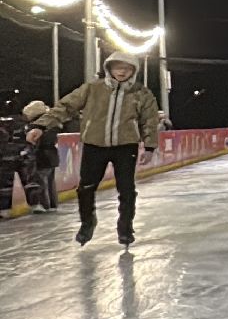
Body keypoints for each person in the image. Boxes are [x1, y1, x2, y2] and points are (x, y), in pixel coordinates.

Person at [27, 52, 161, 246]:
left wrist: (149, 147)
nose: (122, 72)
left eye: (127, 68)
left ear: (134, 70)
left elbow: (149, 121)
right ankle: (87, 222)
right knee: (86, 188)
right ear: (109, 68)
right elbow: (66, 107)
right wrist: (41, 125)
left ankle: (125, 227)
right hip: (94, 146)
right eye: (118, 67)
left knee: (127, 190)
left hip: (125, 147)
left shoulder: (142, 93)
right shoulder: (92, 88)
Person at [0, 109, 47, 219]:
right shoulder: (25, 125)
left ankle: (4, 209)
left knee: (7, 185)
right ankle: (35, 204)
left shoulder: (23, 126)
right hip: (23, 157)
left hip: (9, 159)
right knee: (29, 181)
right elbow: (33, 141)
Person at [20, 101, 61, 212]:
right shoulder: (52, 124)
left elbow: (34, 143)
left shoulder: (35, 126)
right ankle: (52, 204)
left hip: (41, 156)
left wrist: (28, 152)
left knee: (39, 181)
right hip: (51, 156)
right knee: (49, 181)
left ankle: (42, 204)